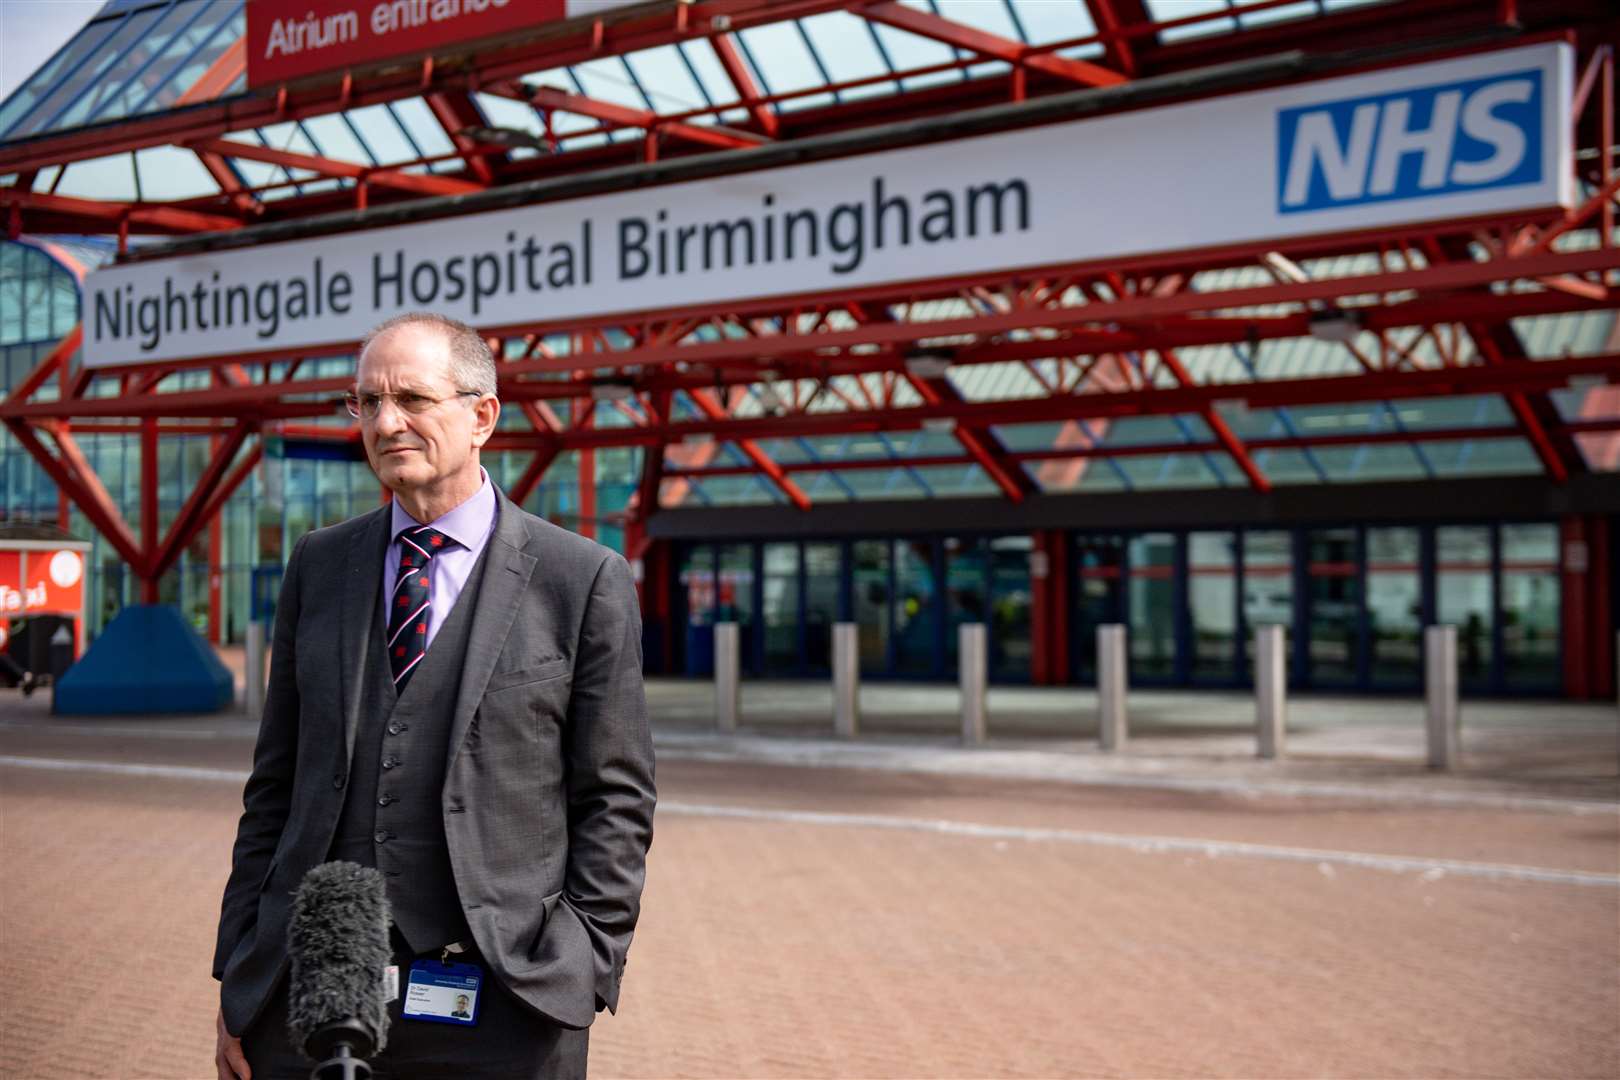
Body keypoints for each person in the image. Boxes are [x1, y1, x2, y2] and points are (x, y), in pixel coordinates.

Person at [213, 313, 656, 1080]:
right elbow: (274, 789)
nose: (387, 423)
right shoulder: (319, 567)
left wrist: (584, 960)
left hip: (508, 1003)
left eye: (413, 399)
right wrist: (238, 977)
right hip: (312, 995)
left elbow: (616, 798)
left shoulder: (578, 579)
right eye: (367, 402)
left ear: (482, 414)